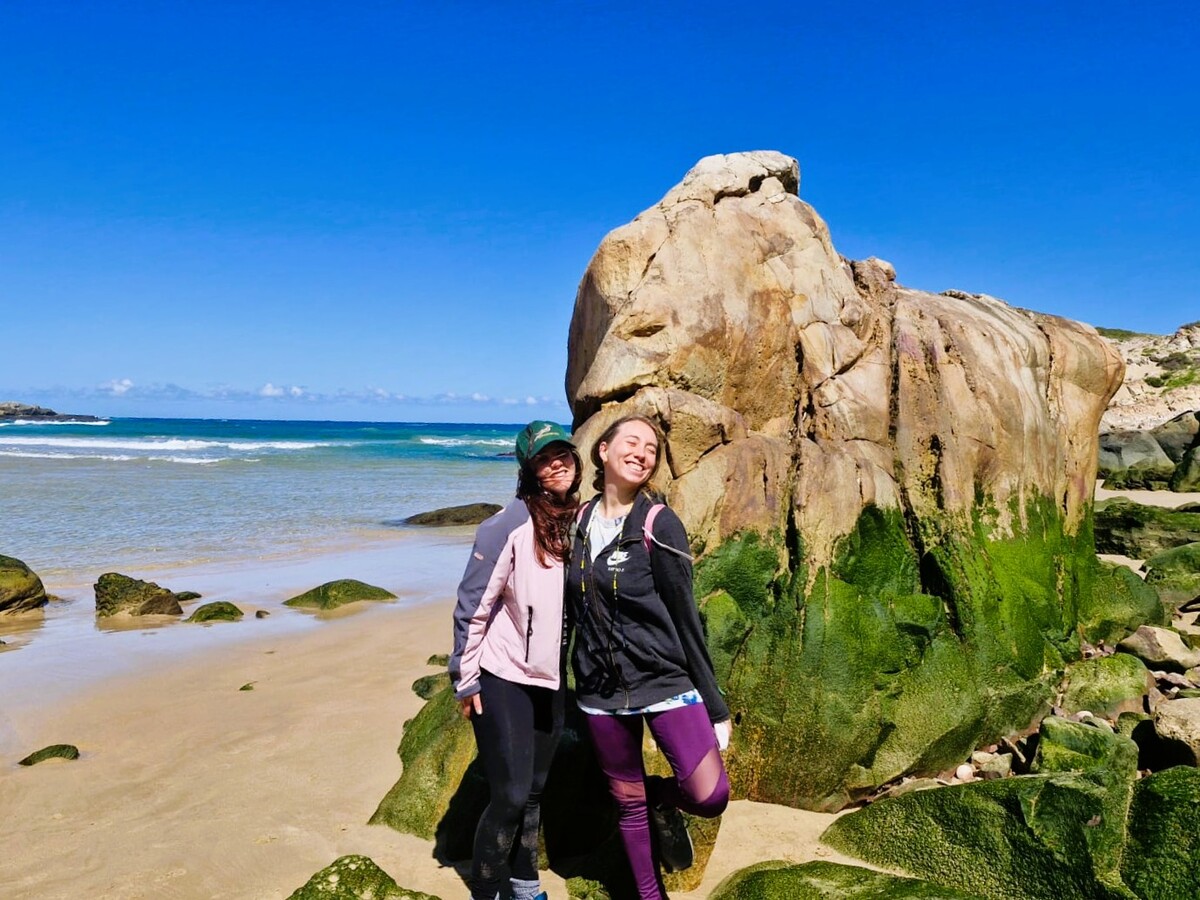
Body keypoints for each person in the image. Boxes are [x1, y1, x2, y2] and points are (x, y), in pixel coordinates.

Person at [566, 414, 731, 899]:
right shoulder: (577, 523)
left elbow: (685, 617)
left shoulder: (658, 524)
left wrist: (715, 705)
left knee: (709, 794)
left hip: (663, 681)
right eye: (632, 442)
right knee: (626, 802)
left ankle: (661, 797)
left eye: (652, 449)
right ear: (603, 451)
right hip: (600, 690)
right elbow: (567, 611)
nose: (642, 453)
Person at [449, 420, 581, 900]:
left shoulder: (576, 522)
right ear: (528, 469)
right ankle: (487, 891)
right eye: (544, 458)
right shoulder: (507, 525)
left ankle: (525, 884)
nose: (557, 464)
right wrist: (465, 680)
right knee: (509, 795)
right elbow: (472, 607)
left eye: (563, 454)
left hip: (550, 676)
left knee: (535, 790)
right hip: (503, 675)